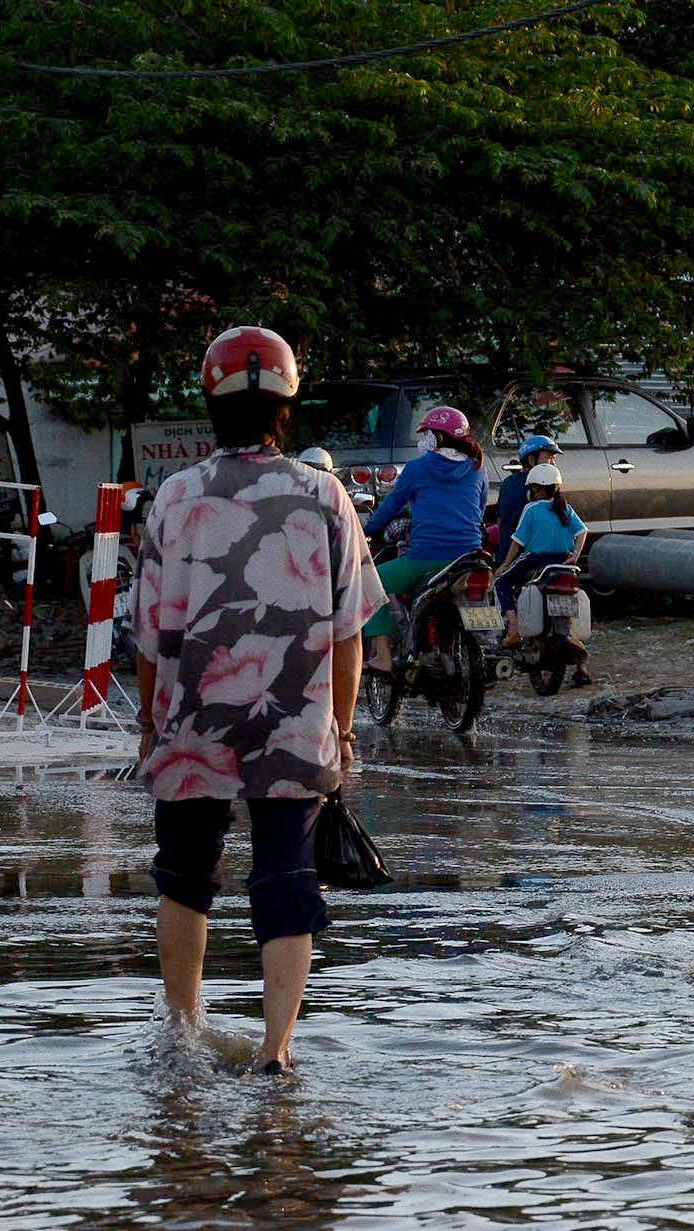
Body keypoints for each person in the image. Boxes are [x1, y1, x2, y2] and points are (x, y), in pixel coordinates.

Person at [131, 325, 385, 1073]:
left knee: (184, 871)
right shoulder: (325, 495)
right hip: (294, 721)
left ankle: (183, 1038)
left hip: (191, 723)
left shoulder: (173, 497)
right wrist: (339, 729)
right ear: (287, 404)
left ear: (212, 405)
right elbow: (349, 636)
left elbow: (150, 639)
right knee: (285, 874)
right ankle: (276, 1051)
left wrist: (153, 728)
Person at [361, 405, 489, 675]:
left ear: (440, 437)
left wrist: (367, 530)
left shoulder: (417, 469)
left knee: (368, 581)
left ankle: (383, 656)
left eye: (427, 434)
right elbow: (479, 509)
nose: (424, 440)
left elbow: (391, 506)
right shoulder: (477, 468)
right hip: (470, 558)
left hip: (425, 557)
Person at [494, 464, 591, 669]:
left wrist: (504, 564)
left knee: (500, 582)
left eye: (533, 487)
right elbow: (582, 532)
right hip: (563, 562)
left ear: (538, 489)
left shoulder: (531, 508)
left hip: (535, 559)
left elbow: (517, 541)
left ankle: (513, 626)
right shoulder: (565, 507)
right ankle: (573, 635)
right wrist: (575, 556)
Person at [497, 433, 562, 553]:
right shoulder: (544, 487)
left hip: (506, 552)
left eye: (554, 459)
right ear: (532, 460)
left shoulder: (507, 483)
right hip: (532, 554)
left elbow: (500, 521)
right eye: (549, 458)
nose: (553, 463)